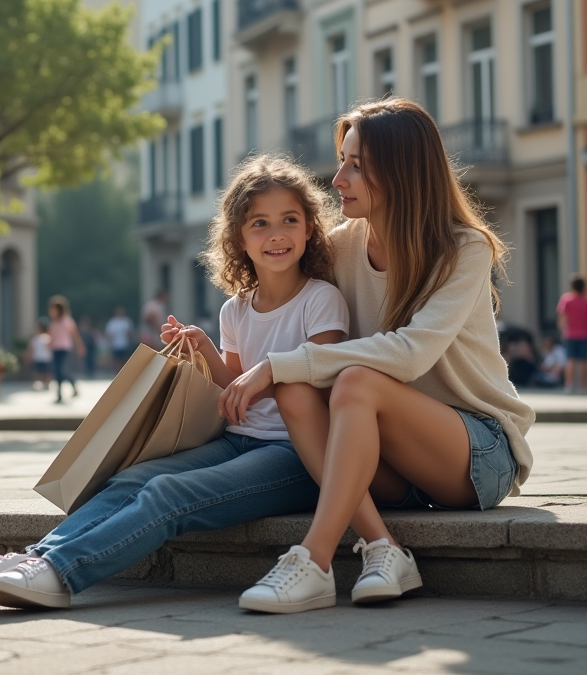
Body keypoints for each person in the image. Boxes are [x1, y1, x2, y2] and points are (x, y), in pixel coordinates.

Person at [0, 155, 347, 610]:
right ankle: (36, 558)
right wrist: (203, 351)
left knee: (167, 492)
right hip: (238, 440)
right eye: (260, 223)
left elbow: (315, 382)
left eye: (289, 220)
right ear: (239, 237)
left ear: (310, 228)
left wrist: (261, 376)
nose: (276, 233)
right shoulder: (236, 309)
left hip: (294, 454)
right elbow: (235, 387)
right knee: (130, 478)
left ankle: (61, 573)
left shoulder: (321, 299)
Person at [218, 99, 533, 614]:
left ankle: (314, 562)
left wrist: (274, 364)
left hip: (476, 453)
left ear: (403, 170)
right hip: (388, 458)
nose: (338, 177)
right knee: (299, 389)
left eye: (356, 165)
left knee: (351, 380)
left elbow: (409, 354)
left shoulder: (463, 248)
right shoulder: (342, 247)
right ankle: (385, 548)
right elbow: (279, 285)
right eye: (343, 160)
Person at [556, 275, 587, 394]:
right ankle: (583, 387)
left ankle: (569, 385)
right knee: (584, 361)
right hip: (585, 334)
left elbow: (563, 317)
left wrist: (562, 329)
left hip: (570, 334)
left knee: (570, 360)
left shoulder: (566, 299)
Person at [47, 297, 85, 404]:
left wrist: (80, 347)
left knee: (60, 370)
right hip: (55, 348)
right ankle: (60, 393)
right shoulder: (53, 323)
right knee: (58, 371)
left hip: (64, 348)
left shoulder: (67, 321)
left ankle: (69, 386)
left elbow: (75, 335)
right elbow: (51, 336)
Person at [104, 306, 134, 371]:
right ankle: (117, 373)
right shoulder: (112, 322)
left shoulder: (126, 321)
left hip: (125, 344)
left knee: (125, 361)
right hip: (116, 345)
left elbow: (130, 333)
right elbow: (108, 334)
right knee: (116, 361)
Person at [25, 320, 52, 391]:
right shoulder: (35, 338)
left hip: (46, 358)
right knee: (37, 372)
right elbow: (31, 349)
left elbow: (50, 347)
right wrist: (29, 356)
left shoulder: (47, 337)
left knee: (46, 372)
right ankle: (38, 383)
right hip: (37, 358)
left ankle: (47, 383)